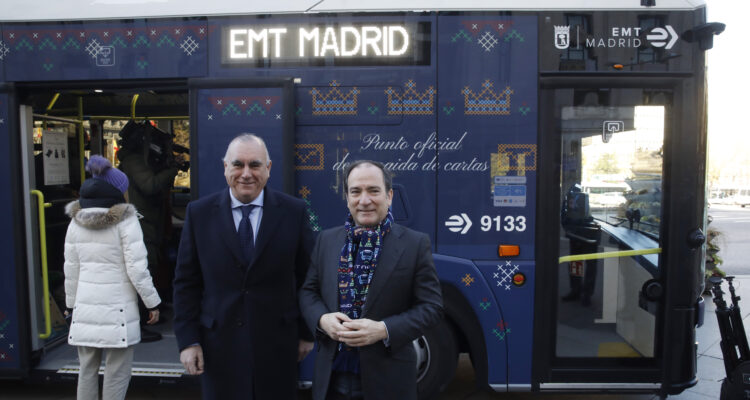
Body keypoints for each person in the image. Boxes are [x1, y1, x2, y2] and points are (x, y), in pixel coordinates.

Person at [173, 133, 314, 400]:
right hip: (218, 347)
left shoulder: (294, 212)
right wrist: (189, 341)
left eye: (255, 165)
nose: (246, 174)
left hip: (278, 346)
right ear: (225, 167)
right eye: (238, 165)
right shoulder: (199, 214)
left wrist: (307, 333)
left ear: (268, 169)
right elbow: (186, 283)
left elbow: (308, 277)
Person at [299, 160, 443, 400]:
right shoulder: (326, 240)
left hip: (389, 382)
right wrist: (322, 319)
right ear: (347, 197)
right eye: (356, 191)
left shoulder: (415, 244)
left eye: (373, 191)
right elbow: (308, 292)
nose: (364, 200)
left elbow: (432, 307)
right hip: (331, 379)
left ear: (389, 196)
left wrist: (383, 330)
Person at [63, 155, 161, 400]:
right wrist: (152, 303)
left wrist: (70, 306)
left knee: (86, 371)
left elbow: (71, 270)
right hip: (118, 312)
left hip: (85, 310)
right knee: (117, 372)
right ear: (118, 191)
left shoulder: (75, 221)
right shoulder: (126, 221)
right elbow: (137, 269)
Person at [117, 121, 180, 342]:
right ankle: (139, 323)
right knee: (142, 270)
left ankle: (147, 316)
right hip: (141, 222)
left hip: (148, 222)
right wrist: (171, 170)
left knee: (149, 268)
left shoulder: (139, 160)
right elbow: (150, 185)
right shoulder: (133, 160)